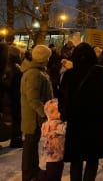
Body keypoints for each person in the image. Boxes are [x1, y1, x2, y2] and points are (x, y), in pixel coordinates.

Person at [58, 42, 103, 181]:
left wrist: (65, 114)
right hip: (96, 123)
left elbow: (62, 100)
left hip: (76, 124)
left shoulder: (69, 75)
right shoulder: (101, 73)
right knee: (92, 159)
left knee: (76, 160)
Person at [20, 45, 54, 181]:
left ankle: (32, 170)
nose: (49, 60)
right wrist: (45, 113)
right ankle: (28, 174)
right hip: (32, 118)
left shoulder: (37, 72)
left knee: (32, 144)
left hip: (34, 117)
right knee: (30, 145)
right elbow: (33, 99)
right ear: (43, 58)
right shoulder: (34, 74)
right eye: (48, 57)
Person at [38, 98, 66, 181]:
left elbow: (43, 136)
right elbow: (65, 130)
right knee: (55, 176)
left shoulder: (45, 125)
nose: (59, 112)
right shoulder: (59, 125)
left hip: (45, 157)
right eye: (57, 111)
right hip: (56, 157)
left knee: (45, 175)